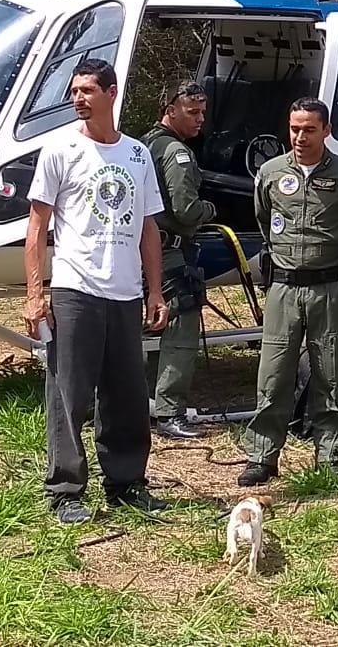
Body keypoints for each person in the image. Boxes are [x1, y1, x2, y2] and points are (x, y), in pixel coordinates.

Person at [24, 58, 169, 525]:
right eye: (74, 91)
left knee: (127, 392)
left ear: (111, 92)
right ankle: (66, 489)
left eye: (86, 90)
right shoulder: (60, 150)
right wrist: (35, 293)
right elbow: (37, 225)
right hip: (75, 288)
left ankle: (127, 482)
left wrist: (154, 290)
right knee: (69, 392)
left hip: (124, 293)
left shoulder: (137, 154)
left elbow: (149, 227)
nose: (77, 98)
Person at [237, 98, 338, 486]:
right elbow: (265, 220)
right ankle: (262, 455)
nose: (300, 136)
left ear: (326, 130)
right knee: (274, 374)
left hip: (327, 287)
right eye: (294, 128)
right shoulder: (270, 173)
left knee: (330, 374)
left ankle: (329, 456)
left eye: (309, 129)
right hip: (283, 288)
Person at [141, 82, 217, 440]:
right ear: (170, 110)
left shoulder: (146, 143)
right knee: (180, 326)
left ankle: (148, 401)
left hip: (143, 251)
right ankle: (169, 410)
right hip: (170, 254)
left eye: (202, 112)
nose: (200, 119)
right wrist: (211, 209)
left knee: (152, 326)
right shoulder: (176, 153)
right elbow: (186, 211)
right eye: (193, 112)